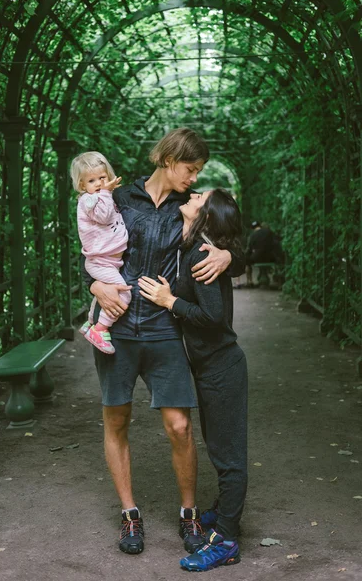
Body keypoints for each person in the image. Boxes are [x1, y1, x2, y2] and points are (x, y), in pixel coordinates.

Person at [82, 128, 245, 555]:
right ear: (169, 159)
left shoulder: (191, 209)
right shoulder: (118, 197)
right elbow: (90, 245)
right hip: (115, 327)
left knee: (179, 425)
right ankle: (130, 515)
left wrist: (230, 256)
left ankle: (188, 514)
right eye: (191, 169)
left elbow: (229, 239)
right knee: (116, 422)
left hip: (164, 328)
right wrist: (93, 285)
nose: (194, 179)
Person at [138, 188, 248, 571]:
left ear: (207, 215)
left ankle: (228, 541)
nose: (193, 192)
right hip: (209, 367)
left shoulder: (202, 253)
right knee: (220, 448)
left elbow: (214, 317)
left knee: (228, 456)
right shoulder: (192, 246)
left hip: (222, 366)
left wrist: (171, 303)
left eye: (201, 195)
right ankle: (225, 514)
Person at [71, 151, 131, 354]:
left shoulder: (100, 197)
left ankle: (90, 322)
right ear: (82, 185)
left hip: (108, 261)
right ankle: (100, 328)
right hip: (100, 262)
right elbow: (105, 218)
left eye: (102, 178)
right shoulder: (90, 200)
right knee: (122, 294)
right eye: (91, 180)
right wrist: (105, 192)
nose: (98, 183)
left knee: (103, 295)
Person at [245, 220, 276, 286]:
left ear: (252, 229)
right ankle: (278, 281)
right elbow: (275, 244)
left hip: (257, 258)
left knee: (246, 261)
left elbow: (249, 250)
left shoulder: (252, 236)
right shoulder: (269, 232)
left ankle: (250, 281)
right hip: (270, 258)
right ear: (260, 226)